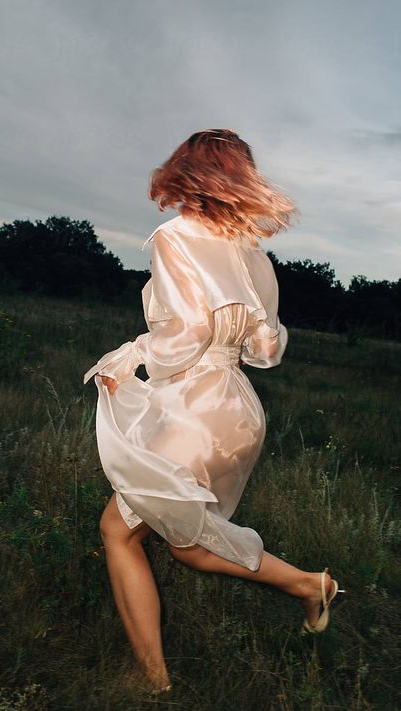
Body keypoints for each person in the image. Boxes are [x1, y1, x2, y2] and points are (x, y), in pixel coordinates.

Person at [83, 128, 345, 696]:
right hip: (239, 407)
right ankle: (310, 585)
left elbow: (184, 335)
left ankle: (152, 683)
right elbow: (266, 349)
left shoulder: (174, 237)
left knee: (119, 532)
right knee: (189, 547)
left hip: (197, 410)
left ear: (187, 171)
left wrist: (129, 358)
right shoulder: (252, 253)